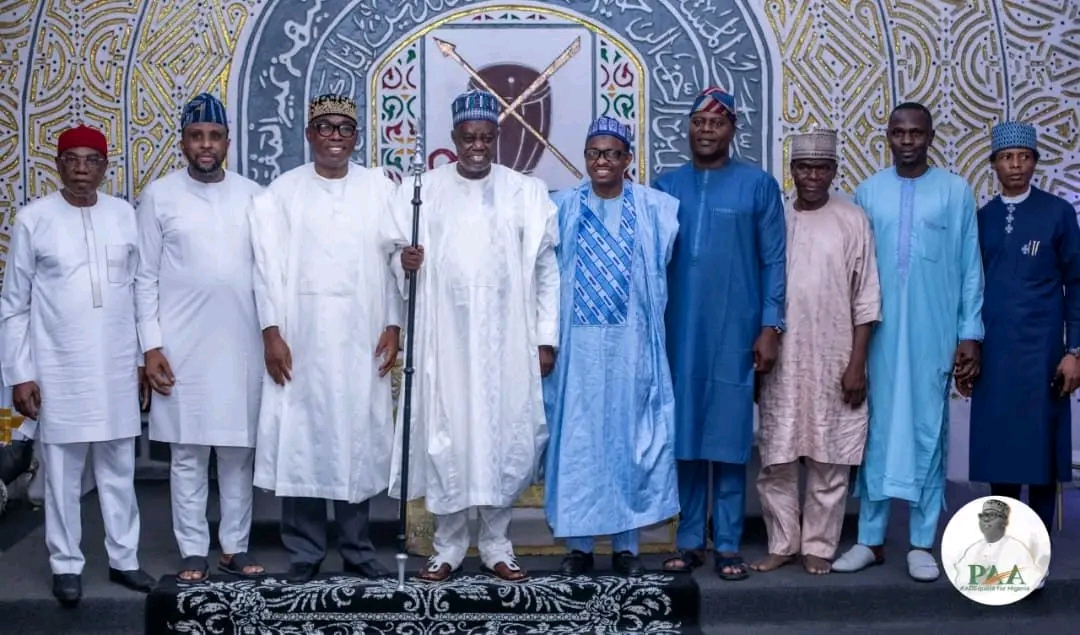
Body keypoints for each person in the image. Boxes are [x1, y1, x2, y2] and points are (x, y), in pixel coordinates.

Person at [391, 89, 560, 583]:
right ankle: (446, 546)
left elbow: (547, 270)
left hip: (508, 337)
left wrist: (544, 338)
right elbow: (394, 255)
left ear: (498, 137)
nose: (477, 146)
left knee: (503, 436)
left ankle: (496, 544)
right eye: (469, 138)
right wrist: (404, 263)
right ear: (454, 139)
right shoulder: (421, 191)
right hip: (444, 338)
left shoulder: (526, 192)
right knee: (448, 435)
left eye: (486, 137)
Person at [248, 94, 402, 583]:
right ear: (309, 134)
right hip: (302, 338)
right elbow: (265, 270)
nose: (334, 136)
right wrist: (272, 332)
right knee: (305, 441)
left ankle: (358, 550)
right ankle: (305, 553)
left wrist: (394, 325)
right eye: (324, 127)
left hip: (362, 337)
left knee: (354, 440)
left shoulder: (380, 188)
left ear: (356, 137)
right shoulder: (282, 192)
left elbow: (396, 264)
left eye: (344, 128)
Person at [0, 125, 155, 605]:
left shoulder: (125, 217)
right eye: (73, 160)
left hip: (113, 369)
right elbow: (13, 306)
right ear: (58, 165)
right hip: (58, 367)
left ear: (105, 167)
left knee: (117, 470)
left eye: (92, 160)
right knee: (62, 475)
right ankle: (65, 564)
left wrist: (139, 360)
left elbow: (137, 293)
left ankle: (124, 559)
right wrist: (21, 374)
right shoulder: (34, 220)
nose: (82, 169)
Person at [832, 102, 984, 582]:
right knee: (875, 434)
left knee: (927, 433)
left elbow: (970, 269)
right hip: (878, 335)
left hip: (933, 334)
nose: (907, 140)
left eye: (916, 132)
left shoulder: (956, 192)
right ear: (888, 137)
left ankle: (922, 541)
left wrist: (970, 334)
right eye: (898, 132)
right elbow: (856, 273)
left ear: (930, 136)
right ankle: (870, 540)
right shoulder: (869, 193)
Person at [655, 86, 786, 581]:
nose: (706, 130)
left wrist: (770, 326)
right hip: (679, 330)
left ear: (733, 130)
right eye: (698, 122)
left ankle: (728, 543)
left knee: (729, 437)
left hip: (736, 330)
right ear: (687, 129)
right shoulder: (666, 187)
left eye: (717, 122)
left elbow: (774, 260)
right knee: (685, 434)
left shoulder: (758, 186)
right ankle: (689, 539)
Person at [135, 93, 266, 582]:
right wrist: (150, 347)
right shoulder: (159, 196)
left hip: (242, 346)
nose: (205, 145)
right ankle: (193, 549)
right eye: (196, 136)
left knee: (237, 453)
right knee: (188, 455)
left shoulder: (255, 195)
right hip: (180, 349)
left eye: (214, 136)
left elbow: (269, 272)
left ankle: (234, 547)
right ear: (184, 142)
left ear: (227, 142)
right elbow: (143, 277)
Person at [543, 117, 680, 577]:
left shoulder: (656, 209)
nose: (601, 161)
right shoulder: (561, 207)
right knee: (580, 446)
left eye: (611, 154)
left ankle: (627, 547)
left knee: (628, 440)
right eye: (593, 154)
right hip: (577, 349)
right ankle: (578, 547)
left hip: (631, 346)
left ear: (627, 160)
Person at [752, 130, 881, 576]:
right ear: (791, 171)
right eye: (804, 167)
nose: (812, 176)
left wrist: (857, 363)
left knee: (830, 456)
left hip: (834, 357)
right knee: (778, 456)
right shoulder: (777, 218)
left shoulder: (852, 219)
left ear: (833, 172)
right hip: (782, 360)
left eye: (821, 168)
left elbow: (866, 299)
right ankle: (782, 542)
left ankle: (819, 546)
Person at [965, 121, 1080, 533]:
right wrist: (966, 347)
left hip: (1044, 356)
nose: (1016, 165)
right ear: (993, 164)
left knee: (1041, 459)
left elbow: (1076, 283)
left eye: (1024, 157)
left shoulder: (1058, 213)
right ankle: (1003, 549)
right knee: (1001, 457)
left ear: (1035, 161)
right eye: (1007, 157)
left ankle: (1038, 554)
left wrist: (1074, 352)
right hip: (995, 356)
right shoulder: (982, 219)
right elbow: (969, 287)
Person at [948, 499, 1042, 591]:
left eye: (992, 515)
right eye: (983, 515)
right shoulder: (974, 548)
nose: (985, 519)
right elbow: (960, 576)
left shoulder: (1017, 548)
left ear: (1004, 522)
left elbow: (1029, 575)